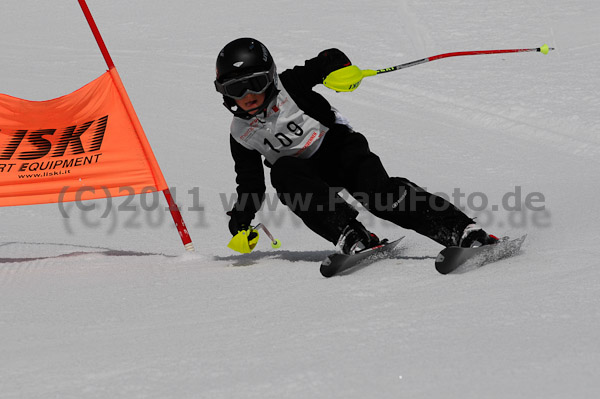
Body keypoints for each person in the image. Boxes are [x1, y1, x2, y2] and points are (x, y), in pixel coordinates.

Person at [215, 37, 498, 254]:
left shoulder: (291, 85)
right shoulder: (241, 134)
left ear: (271, 78)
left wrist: (339, 70)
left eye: (256, 83)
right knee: (283, 173)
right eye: (237, 89)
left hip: (340, 149)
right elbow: (250, 184)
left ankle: (461, 231)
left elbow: (328, 58)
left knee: (380, 197)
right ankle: (350, 235)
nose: (248, 95)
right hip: (306, 176)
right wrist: (241, 218)